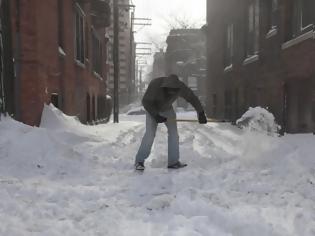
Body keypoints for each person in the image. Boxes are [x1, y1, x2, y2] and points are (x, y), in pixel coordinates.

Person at [135, 74, 207, 171]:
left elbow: (192, 98)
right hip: (152, 109)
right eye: (169, 90)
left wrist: (201, 113)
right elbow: (146, 102)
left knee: (174, 134)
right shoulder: (155, 84)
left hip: (167, 109)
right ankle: (139, 161)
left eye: (174, 90)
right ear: (165, 86)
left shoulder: (181, 87)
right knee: (150, 134)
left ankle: (173, 162)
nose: (171, 92)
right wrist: (156, 115)